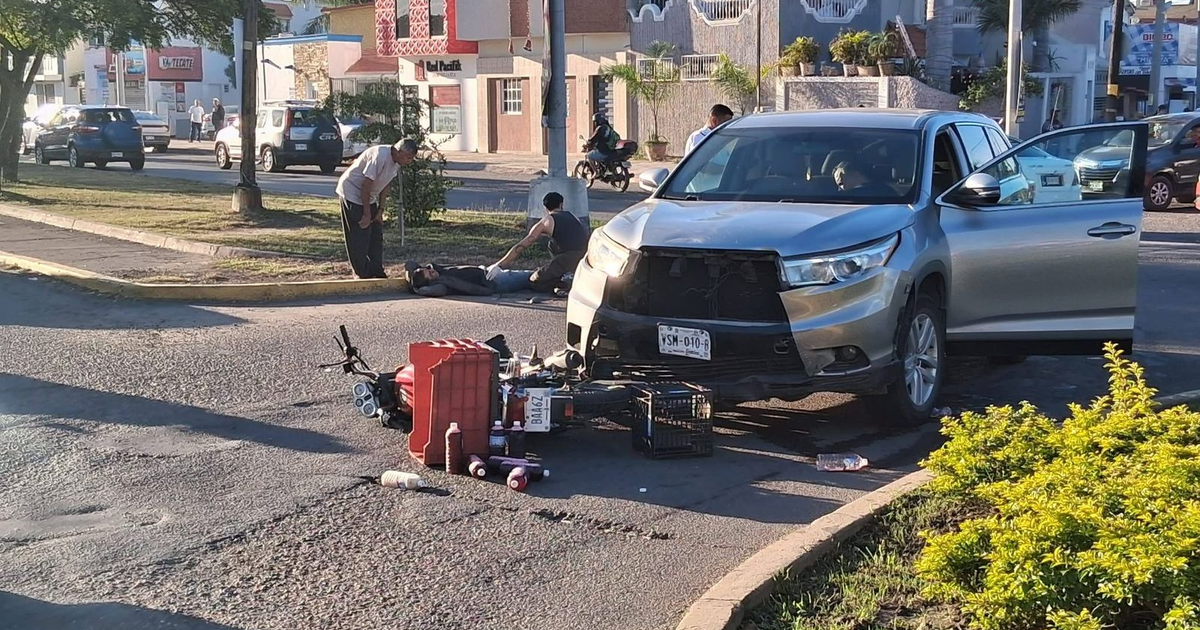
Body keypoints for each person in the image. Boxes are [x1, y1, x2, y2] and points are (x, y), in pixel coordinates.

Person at [335, 139, 418, 279]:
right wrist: (367, 214)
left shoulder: (397, 162)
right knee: (360, 235)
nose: (409, 161)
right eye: (408, 157)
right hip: (353, 193)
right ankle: (361, 273)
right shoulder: (380, 156)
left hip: (370, 196)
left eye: (411, 158)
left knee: (376, 234)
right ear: (398, 151)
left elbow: (385, 185)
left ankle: (376, 270)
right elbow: (365, 186)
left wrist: (380, 210)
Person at [488, 192, 588, 292]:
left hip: (566, 260)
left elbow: (522, 246)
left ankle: (564, 283)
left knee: (534, 280)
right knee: (551, 244)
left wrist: (499, 265)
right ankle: (566, 276)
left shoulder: (546, 221)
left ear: (545, 208)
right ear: (561, 205)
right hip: (586, 257)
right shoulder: (574, 217)